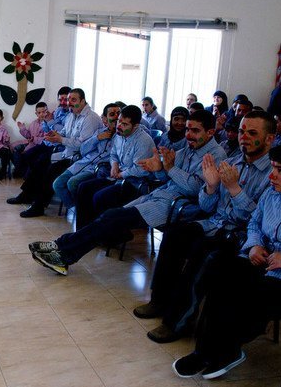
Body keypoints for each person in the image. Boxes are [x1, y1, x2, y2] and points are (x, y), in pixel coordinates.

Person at [172, 138, 281, 380]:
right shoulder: (277, 190)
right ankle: (205, 350)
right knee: (218, 268)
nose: (272, 176)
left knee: (251, 293)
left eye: (280, 170)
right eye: (273, 168)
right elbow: (255, 222)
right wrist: (254, 244)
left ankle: (224, 350)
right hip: (262, 260)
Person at [133, 111, 275, 343]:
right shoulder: (233, 160)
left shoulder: (273, 173)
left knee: (202, 255)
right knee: (173, 236)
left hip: (241, 235)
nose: (244, 137)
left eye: (252, 133)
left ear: (269, 138)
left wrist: (234, 189)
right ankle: (160, 301)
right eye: (241, 131)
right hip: (214, 223)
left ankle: (178, 322)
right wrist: (210, 187)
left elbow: (257, 220)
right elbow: (207, 206)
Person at [29, 109, 227, 276]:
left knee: (111, 215)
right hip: (158, 196)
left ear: (210, 132)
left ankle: (63, 252)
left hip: (176, 206)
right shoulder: (189, 148)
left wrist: (168, 168)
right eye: (188, 130)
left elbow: (195, 190)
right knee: (108, 216)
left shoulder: (216, 156)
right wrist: (158, 168)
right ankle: (61, 247)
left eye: (195, 130)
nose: (188, 135)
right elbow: (167, 177)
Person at [8, 88, 102, 218]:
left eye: (73, 100)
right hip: (67, 153)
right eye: (68, 99)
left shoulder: (90, 118)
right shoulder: (71, 115)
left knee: (50, 171)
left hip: (79, 158)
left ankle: (39, 206)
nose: (69, 103)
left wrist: (60, 139)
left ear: (83, 101)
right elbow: (64, 132)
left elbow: (83, 145)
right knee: (39, 164)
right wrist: (55, 135)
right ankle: (26, 195)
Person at [72, 104, 154, 228]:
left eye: (125, 124)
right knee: (84, 188)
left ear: (136, 126)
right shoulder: (119, 135)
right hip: (117, 178)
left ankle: (108, 235)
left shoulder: (143, 141)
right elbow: (114, 154)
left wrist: (121, 174)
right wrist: (114, 165)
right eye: (119, 121)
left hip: (135, 183)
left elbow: (140, 169)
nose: (119, 126)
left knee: (100, 197)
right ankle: (84, 230)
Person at [51, 103, 118, 210]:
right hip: (83, 163)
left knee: (72, 183)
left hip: (98, 168)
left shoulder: (121, 137)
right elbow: (83, 150)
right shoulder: (99, 132)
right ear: (105, 119)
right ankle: (75, 209)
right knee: (57, 184)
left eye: (119, 114)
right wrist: (97, 138)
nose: (116, 117)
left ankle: (81, 211)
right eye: (112, 114)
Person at [12, 102, 49, 177]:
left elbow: (46, 139)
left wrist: (34, 139)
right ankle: (20, 171)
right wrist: (22, 129)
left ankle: (25, 174)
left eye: (44, 112)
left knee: (27, 155)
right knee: (15, 150)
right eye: (39, 112)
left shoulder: (50, 123)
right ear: (36, 114)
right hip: (30, 145)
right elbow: (29, 136)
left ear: (47, 111)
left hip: (41, 147)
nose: (41, 114)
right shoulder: (34, 123)